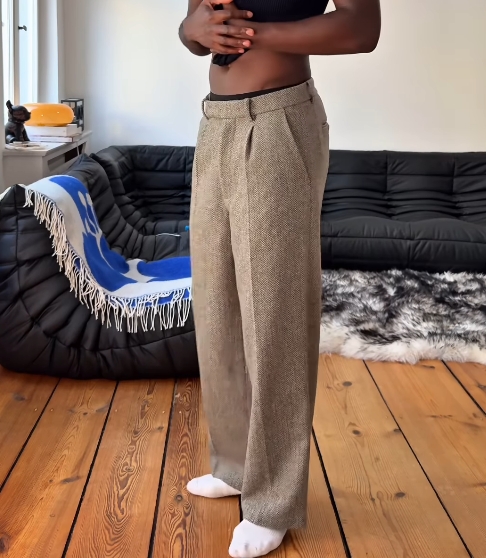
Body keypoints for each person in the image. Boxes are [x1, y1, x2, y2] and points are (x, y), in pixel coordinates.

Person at [179, 1, 381, 556]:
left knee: (275, 314)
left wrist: (256, 33)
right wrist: (193, 30)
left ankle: (272, 501)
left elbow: (362, 27)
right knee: (217, 307)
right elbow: (195, 29)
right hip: (215, 123)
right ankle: (236, 466)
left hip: (277, 121)